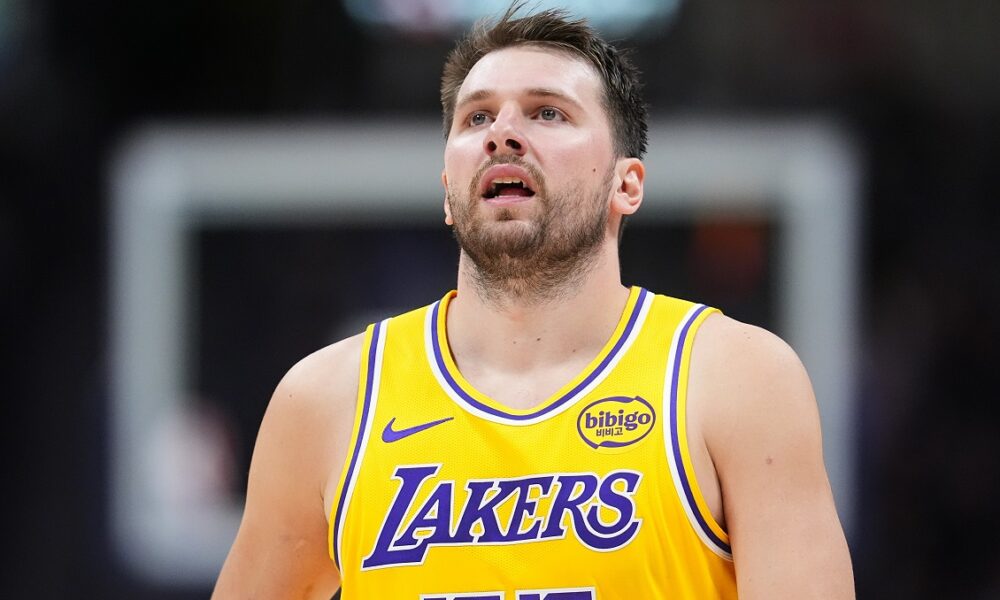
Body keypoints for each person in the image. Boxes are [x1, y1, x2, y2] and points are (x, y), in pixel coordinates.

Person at [212, 5, 854, 599]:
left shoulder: (735, 380)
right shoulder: (327, 401)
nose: (503, 134)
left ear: (626, 184)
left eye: (548, 112)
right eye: (477, 117)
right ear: (446, 189)